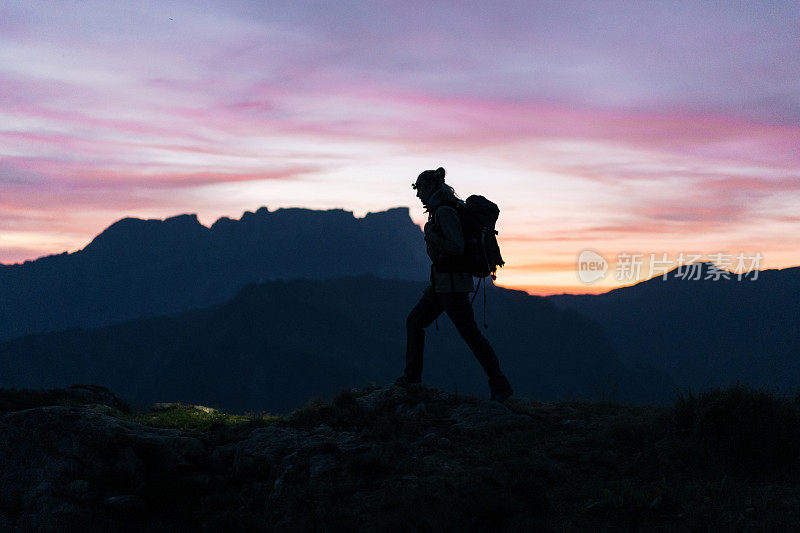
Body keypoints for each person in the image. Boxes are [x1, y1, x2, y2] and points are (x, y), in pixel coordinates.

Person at [395, 167, 514, 402]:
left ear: (430, 188)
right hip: (444, 285)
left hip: (451, 286)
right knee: (417, 322)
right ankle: (411, 380)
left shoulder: (445, 211)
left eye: (420, 189)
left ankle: (500, 385)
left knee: (469, 335)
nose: (418, 195)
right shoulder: (445, 209)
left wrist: (432, 235)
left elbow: (456, 246)